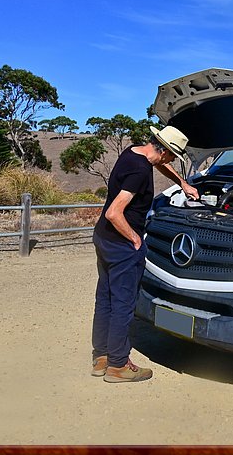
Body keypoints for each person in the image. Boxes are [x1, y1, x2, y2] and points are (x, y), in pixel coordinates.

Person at [90, 125, 198, 382]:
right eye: (173, 156)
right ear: (166, 152)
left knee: (105, 297)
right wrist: (135, 239)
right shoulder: (140, 171)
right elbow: (114, 213)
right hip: (122, 245)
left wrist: (182, 183)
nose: (171, 161)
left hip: (103, 238)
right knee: (123, 304)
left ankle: (102, 357)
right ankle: (118, 365)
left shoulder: (133, 153)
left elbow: (158, 164)